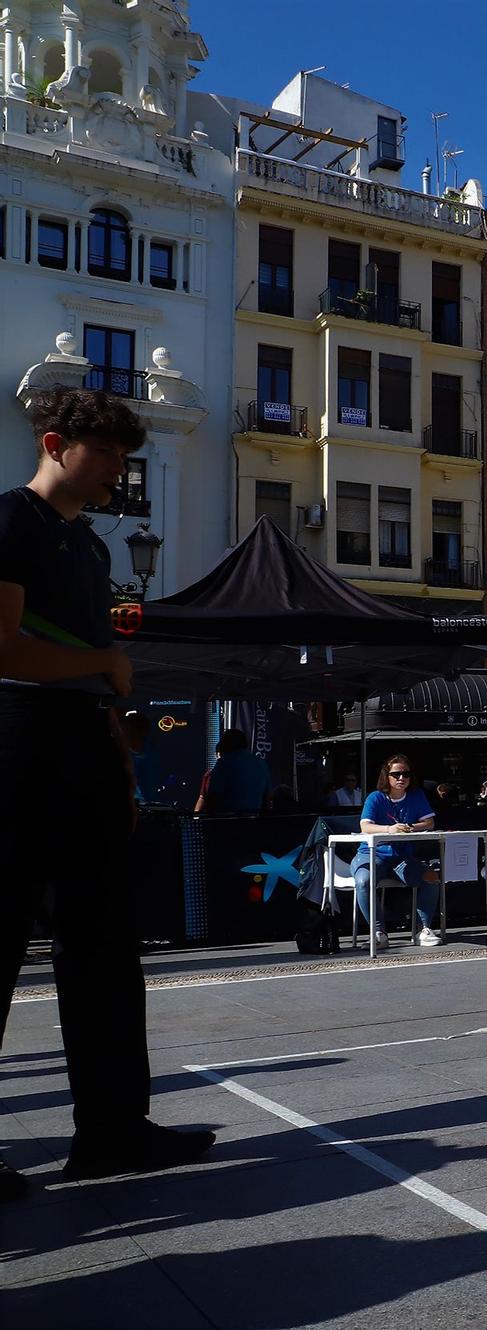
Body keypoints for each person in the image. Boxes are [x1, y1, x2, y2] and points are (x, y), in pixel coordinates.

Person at [0, 385, 212, 1199]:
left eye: (127, 455)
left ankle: (114, 1131)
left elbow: (97, 670)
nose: (120, 470)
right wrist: (101, 666)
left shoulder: (91, 549)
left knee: (106, 952)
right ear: (55, 444)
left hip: (83, 753)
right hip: (16, 750)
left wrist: (121, 765)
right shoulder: (9, 522)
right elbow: (6, 649)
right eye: (108, 454)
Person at [352, 754, 442, 946]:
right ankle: (378, 933)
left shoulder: (416, 795)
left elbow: (429, 823)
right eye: (396, 774)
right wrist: (389, 829)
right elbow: (365, 827)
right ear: (387, 776)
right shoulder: (375, 798)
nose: (402, 778)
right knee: (363, 881)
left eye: (406, 774)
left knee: (431, 877)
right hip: (372, 854)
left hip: (401, 858)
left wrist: (409, 826)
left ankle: (423, 929)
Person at [194, 728, 272, 813]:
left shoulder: (223, 764)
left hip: (228, 822)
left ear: (226, 744)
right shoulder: (261, 763)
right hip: (254, 822)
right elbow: (267, 799)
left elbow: (213, 799)